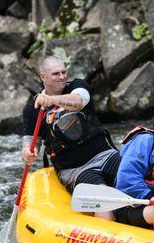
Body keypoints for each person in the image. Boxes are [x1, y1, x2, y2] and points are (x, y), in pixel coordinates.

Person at [21, 55, 120, 221]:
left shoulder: (77, 86)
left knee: (134, 176)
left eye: (63, 72)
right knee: (102, 199)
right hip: (75, 169)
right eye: (56, 74)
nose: (62, 76)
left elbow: (79, 102)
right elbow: (31, 140)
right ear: (43, 77)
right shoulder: (32, 108)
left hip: (104, 155)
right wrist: (27, 151)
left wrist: (52, 100)